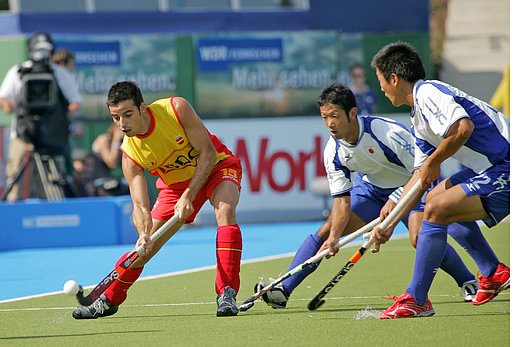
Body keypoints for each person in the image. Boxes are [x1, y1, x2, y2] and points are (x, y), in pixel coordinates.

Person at [255, 83, 480, 309]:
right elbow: (342, 201)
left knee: (419, 237)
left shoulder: (387, 132)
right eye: (325, 117)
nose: (330, 124)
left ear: (352, 113)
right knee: (326, 232)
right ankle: (284, 289)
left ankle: (467, 281)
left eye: (335, 116)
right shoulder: (333, 151)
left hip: (412, 186)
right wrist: (334, 237)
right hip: (372, 190)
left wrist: (396, 203)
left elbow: (424, 170)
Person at [72, 81, 243, 319]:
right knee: (143, 249)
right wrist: (144, 233)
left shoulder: (176, 109)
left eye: (127, 114)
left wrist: (189, 195)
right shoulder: (130, 154)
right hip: (174, 187)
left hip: (216, 168)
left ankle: (226, 292)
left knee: (225, 210)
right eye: (115, 118)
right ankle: (109, 299)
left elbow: (208, 152)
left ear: (143, 107)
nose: (122, 124)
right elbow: (140, 206)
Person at [370, 41, 510, 319]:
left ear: (394, 78)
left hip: (506, 165)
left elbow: (462, 128)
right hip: (491, 167)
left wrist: (435, 161)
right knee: (434, 199)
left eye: (381, 81)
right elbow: (421, 174)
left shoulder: (428, 92)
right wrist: (392, 213)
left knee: (436, 210)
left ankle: (416, 299)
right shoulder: (418, 115)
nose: (382, 89)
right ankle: (494, 272)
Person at [0, 32, 82, 201]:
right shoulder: (19, 71)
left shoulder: (59, 73)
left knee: (54, 181)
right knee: (16, 179)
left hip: (50, 139)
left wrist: (59, 119)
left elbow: (75, 103)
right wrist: (10, 106)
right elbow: (4, 98)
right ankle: (15, 216)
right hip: (23, 135)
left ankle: (57, 217)